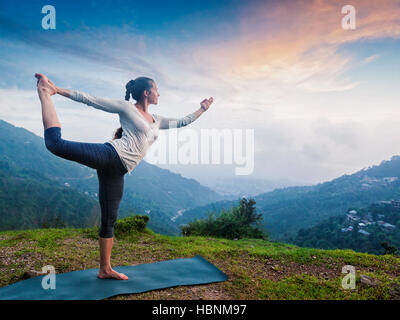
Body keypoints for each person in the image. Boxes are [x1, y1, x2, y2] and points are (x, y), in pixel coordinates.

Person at [35, 73, 214, 280]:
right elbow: (90, 99)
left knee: (109, 220)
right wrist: (56, 90)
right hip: (110, 155)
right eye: (156, 90)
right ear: (147, 93)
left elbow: (183, 121)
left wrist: (203, 108)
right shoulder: (127, 108)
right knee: (55, 144)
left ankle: (105, 269)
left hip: (117, 170)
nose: (159, 94)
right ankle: (45, 94)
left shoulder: (158, 120)